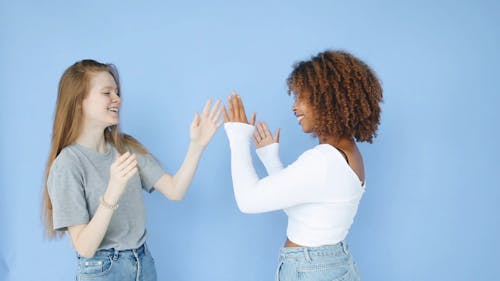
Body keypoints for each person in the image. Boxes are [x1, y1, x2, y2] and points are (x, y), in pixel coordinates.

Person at [42, 59, 222, 281]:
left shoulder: (124, 147)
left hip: (143, 264)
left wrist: (197, 146)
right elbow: (85, 247)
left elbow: (175, 191)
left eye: (116, 92)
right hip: (103, 270)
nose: (117, 99)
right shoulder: (68, 164)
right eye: (106, 92)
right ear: (79, 102)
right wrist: (113, 190)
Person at [223, 50, 382, 281]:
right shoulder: (347, 154)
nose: (294, 107)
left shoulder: (323, 160)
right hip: (333, 265)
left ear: (326, 98)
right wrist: (270, 159)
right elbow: (299, 208)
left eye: (302, 97)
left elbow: (248, 201)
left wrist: (238, 136)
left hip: (311, 270)